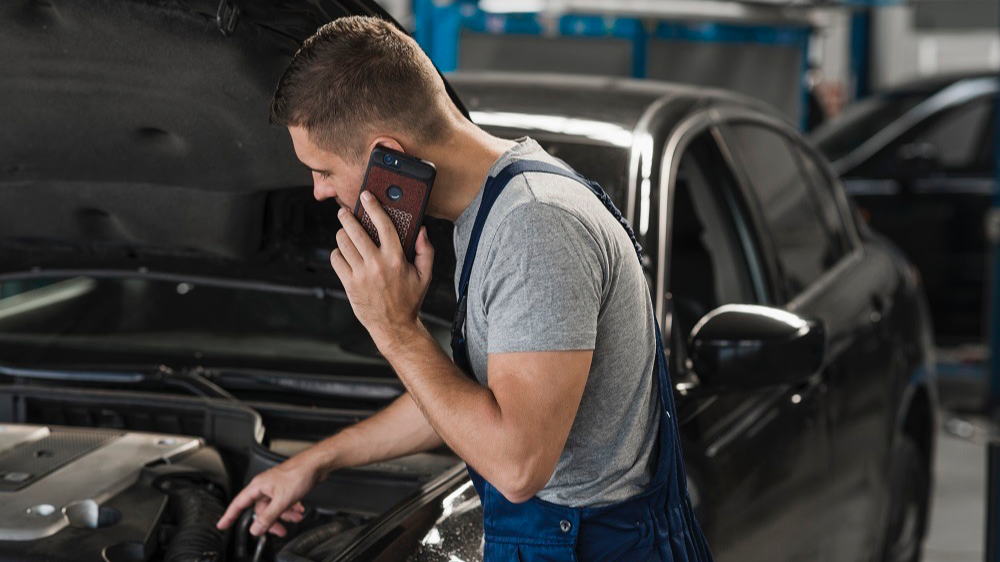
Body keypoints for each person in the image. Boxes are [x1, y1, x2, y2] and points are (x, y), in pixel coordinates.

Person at [215, 15, 713, 561]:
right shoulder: (500, 208)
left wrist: (394, 328)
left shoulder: (536, 226)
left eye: (324, 170)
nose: (317, 192)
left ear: (389, 154)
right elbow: (466, 399)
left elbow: (518, 466)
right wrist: (316, 460)